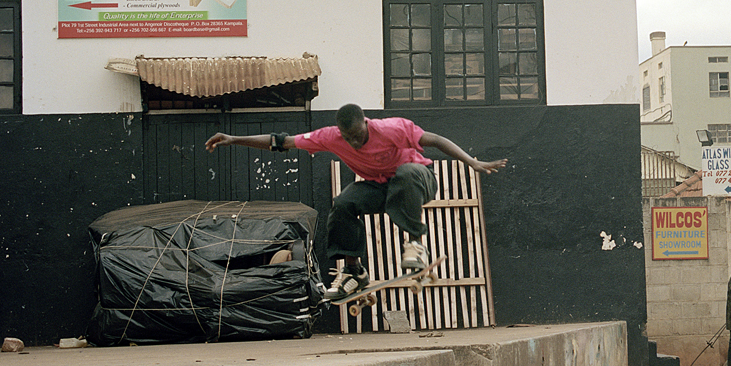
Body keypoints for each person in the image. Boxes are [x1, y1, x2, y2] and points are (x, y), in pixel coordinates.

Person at [206, 104, 506, 303]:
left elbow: (437, 139)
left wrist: (472, 162)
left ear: (366, 123)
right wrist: (234, 139)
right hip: (379, 188)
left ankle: (415, 243)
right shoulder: (330, 136)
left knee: (407, 173)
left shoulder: (392, 128)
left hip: (419, 180)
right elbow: (280, 141)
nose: (353, 143)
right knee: (344, 202)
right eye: (348, 138)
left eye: (358, 136)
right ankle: (354, 271)